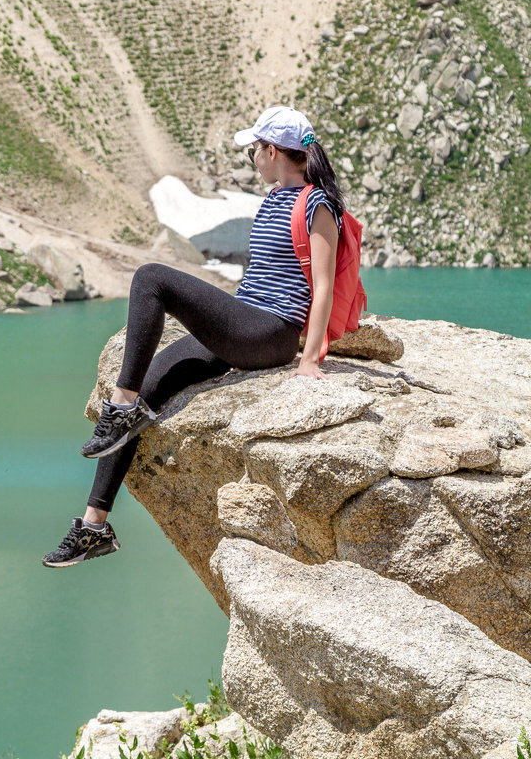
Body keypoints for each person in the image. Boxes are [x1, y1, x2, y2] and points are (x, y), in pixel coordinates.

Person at [42, 105, 345, 568]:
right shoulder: (274, 198)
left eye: (253, 152)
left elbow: (321, 285)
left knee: (151, 277)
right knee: (143, 397)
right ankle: (93, 527)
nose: (252, 160)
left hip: (270, 333)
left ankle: (120, 406)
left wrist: (309, 361)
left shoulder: (316, 204)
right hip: (245, 323)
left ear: (272, 151)